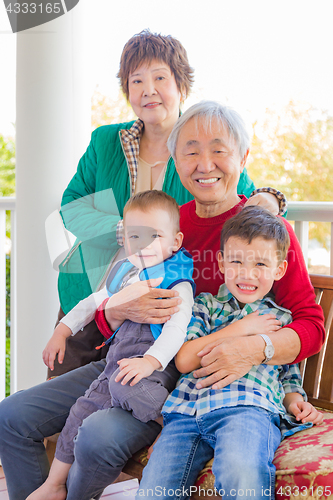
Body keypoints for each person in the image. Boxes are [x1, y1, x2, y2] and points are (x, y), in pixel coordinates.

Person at [0, 102, 324, 500]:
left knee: (97, 435)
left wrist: (257, 347)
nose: (205, 163)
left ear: (243, 157)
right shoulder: (166, 224)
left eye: (219, 150)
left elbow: (310, 324)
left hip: (176, 381)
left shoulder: (262, 233)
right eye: (190, 151)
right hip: (124, 359)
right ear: (175, 159)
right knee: (11, 416)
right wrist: (116, 310)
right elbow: (108, 313)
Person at [53, 29, 283, 377]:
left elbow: (244, 196)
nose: (148, 90)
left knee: (117, 394)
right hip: (95, 290)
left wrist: (273, 198)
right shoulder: (105, 142)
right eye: (136, 81)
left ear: (181, 85)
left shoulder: (196, 147)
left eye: (160, 77)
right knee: (58, 397)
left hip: (159, 308)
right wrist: (124, 232)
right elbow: (72, 205)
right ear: (127, 90)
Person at [136, 205, 323, 500]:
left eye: (260, 264)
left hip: (248, 410)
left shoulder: (280, 319)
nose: (247, 274)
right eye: (237, 261)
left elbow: (288, 372)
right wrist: (243, 327)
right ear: (222, 262)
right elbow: (185, 359)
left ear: (280, 269)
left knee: (242, 472)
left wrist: (296, 401)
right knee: (154, 490)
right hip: (186, 414)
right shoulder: (204, 305)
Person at [26, 190, 195, 500]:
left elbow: (177, 329)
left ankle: (170, 419)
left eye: (153, 235)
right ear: (124, 240)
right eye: (134, 236)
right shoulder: (124, 274)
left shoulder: (176, 282)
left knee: (124, 386)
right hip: (116, 365)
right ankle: (54, 483)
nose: (142, 245)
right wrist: (62, 330)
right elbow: (92, 303)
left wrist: (150, 362)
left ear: (175, 241)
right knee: (80, 411)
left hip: (153, 370)